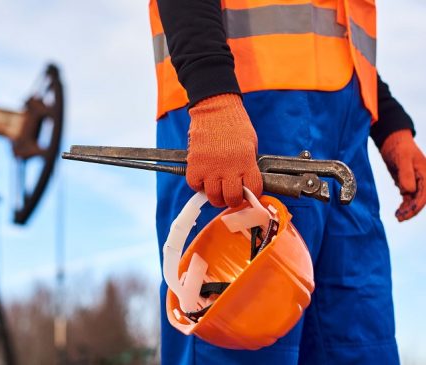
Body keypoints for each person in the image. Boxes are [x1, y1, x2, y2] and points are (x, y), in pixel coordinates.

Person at [150, 0, 426, 364]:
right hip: (243, 111)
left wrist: (389, 122)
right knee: (237, 344)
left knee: (359, 346)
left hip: (346, 130)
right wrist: (212, 95)